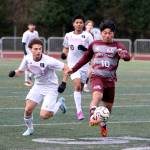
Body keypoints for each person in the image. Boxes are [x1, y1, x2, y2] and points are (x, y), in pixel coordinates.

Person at [66, 19, 130, 137]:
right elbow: (85, 58)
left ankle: (103, 124)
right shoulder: (94, 44)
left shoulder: (118, 45)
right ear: (101, 33)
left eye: (110, 33)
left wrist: (124, 55)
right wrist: (73, 69)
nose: (107, 35)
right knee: (97, 95)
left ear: (113, 33)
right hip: (97, 77)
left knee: (108, 109)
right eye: (105, 33)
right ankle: (92, 116)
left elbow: (127, 56)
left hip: (110, 81)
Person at [9, 38, 68, 136]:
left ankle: (59, 103)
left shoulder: (49, 60)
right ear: (30, 49)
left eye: (40, 49)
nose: (38, 51)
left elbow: (66, 68)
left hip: (51, 87)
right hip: (38, 86)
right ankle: (30, 129)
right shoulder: (27, 58)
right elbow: (20, 71)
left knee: (44, 115)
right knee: (28, 109)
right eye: (35, 49)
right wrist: (14, 73)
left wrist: (63, 83)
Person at [61, 15, 93, 120]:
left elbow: (92, 50)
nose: (78, 24)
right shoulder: (68, 35)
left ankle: (78, 108)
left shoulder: (88, 35)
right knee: (78, 86)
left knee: (80, 88)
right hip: (72, 65)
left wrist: (85, 49)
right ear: (73, 24)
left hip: (84, 65)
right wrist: (63, 54)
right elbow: (65, 48)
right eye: (77, 22)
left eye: (80, 22)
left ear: (83, 24)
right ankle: (79, 111)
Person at [22, 22, 39, 87]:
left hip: (34, 51)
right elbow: (23, 43)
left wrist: (40, 50)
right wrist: (25, 53)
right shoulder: (26, 33)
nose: (32, 26)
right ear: (28, 26)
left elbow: (37, 41)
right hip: (28, 52)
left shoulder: (36, 33)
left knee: (36, 64)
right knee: (27, 66)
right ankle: (27, 81)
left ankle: (30, 76)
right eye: (31, 25)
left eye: (33, 25)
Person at [83, 20, 94, 92]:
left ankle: (85, 85)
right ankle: (82, 84)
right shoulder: (83, 34)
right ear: (85, 26)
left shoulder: (92, 35)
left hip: (89, 55)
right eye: (88, 25)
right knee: (83, 71)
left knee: (90, 71)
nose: (90, 27)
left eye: (91, 25)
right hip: (83, 54)